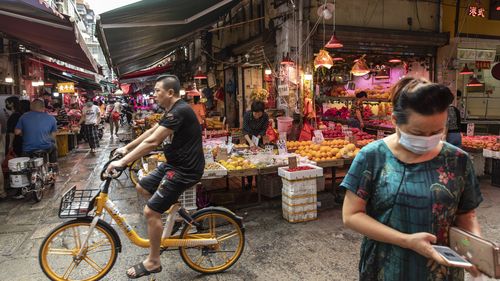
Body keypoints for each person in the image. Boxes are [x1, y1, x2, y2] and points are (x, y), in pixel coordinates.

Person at [341, 77, 483, 281]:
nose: (428, 139)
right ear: (394, 121)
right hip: (387, 267)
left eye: (436, 132)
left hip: (442, 270)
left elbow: (466, 213)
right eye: (418, 132)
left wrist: (477, 248)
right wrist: (407, 240)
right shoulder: (372, 156)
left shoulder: (457, 160)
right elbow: (351, 215)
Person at [106, 75, 204, 279]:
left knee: (150, 212)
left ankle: (153, 262)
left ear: (170, 93)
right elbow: (152, 131)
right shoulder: (171, 111)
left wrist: (122, 162)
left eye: (157, 90)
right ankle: (175, 217)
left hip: (185, 169)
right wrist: (126, 147)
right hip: (174, 164)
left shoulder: (180, 111)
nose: (154, 95)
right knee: (142, 187)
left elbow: (153, 142)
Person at [15, 99, 58, 170]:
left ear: (31, 107)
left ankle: (27, 171)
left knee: (24, 159)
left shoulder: (23, 117)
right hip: (46, 147)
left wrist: (24, 132)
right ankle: (53, 169)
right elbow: (53, 135)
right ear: (43, 107)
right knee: (54, 147)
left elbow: (17, 132)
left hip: (28, 149)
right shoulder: (51, 118)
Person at [242, 101, 269, 189]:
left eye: (259, 113)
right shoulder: (247, 115)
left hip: (259, 138)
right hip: (249, 138)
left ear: (262, 112)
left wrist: (258, 137)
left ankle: (258, 183)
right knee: (249, 159)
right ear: (252, 111)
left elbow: (264, 129)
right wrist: (250, 142)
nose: (257, 115)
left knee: (259, 160)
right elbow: (245, 131)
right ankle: (249, 183)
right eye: (255, 113)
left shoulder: (265, 116)